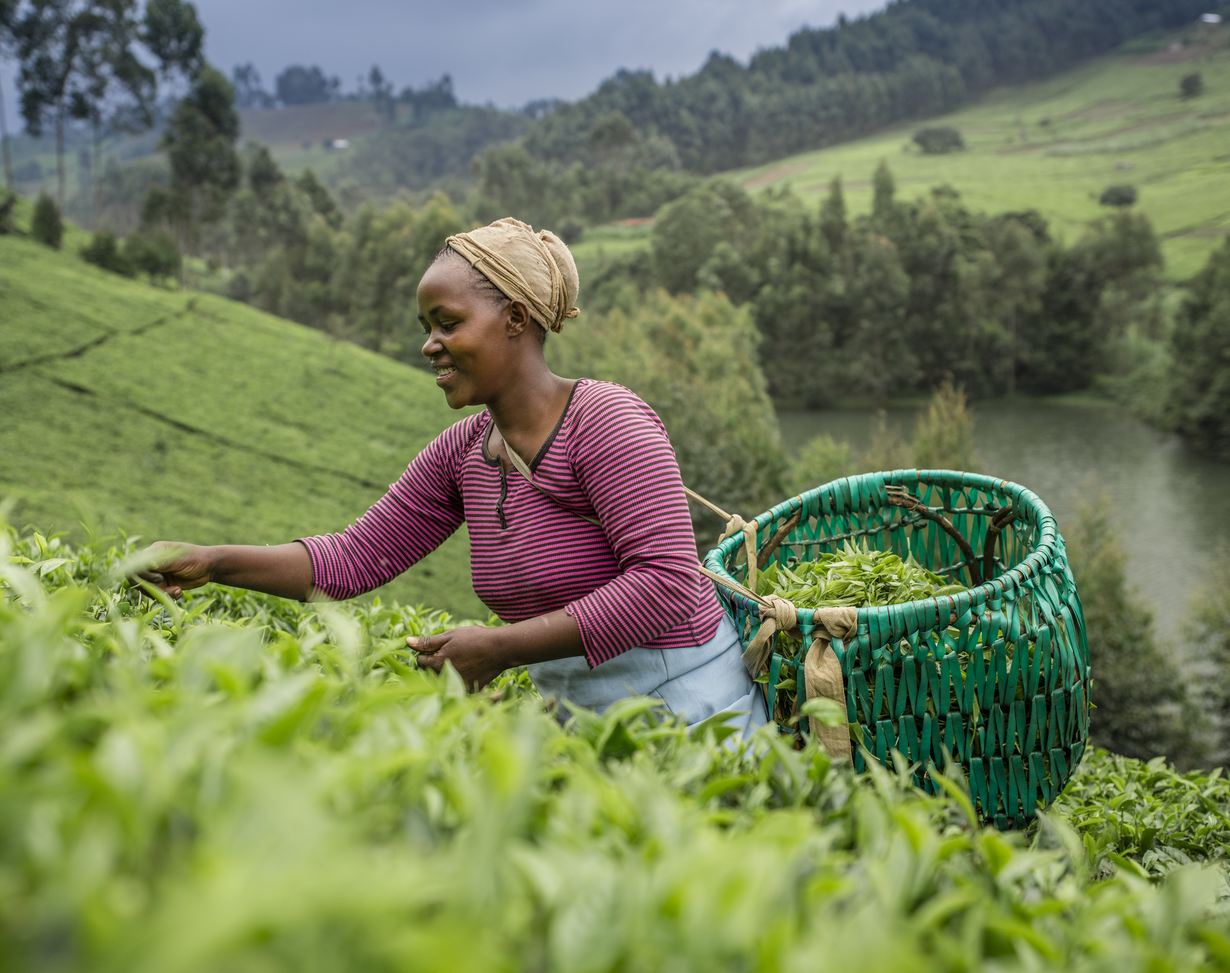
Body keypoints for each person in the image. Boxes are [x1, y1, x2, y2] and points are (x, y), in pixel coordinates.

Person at [136, 217, 768, 733]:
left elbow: (666, 586)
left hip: (694, 714)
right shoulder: (463, 453)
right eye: (426, 329)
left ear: (517, 320)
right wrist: (212, 561)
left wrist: (499, 647)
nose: (429, 345)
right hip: (586, 724)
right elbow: (350, 560)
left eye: (448, 323)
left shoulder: (605, 421)